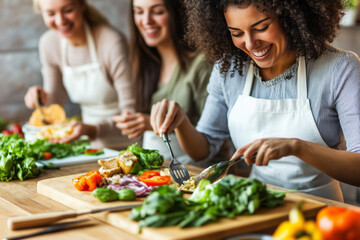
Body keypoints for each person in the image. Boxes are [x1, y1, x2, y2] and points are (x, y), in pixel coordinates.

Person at [150, 0, 360, 201]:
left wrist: (296, 147)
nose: (250, 44)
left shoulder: (341, 68)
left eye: (261, 27)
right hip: (257, 204)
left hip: (321, 213)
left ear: (290, 17)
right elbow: (203, 150)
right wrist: (181, 122)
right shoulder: (229, 70)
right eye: (237, 33)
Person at [112, 0, 230, 167]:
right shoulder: (145, 63)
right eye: (139, 12)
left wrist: (151, 123)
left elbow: (212, 136)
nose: (146, 21)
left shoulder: (201, 64)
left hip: (199, 172)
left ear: (177, 14)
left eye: (158, 12)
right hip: (160, 171)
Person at [24, 0, 137, 150]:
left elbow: (132, 115)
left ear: (82, 4)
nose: (60, 21)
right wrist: (40, 99)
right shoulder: (49, 43)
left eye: (68, 10)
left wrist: (93, 130)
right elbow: (55, 101)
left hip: (128, 145)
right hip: (89, 147)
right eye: (51, 13)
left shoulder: (111, 42)